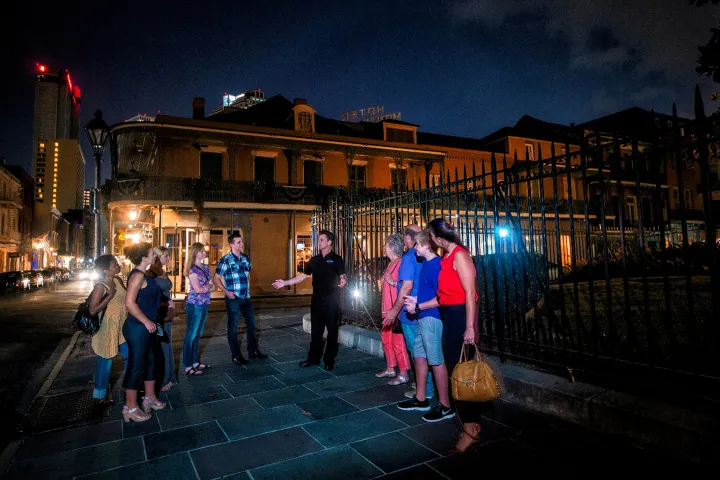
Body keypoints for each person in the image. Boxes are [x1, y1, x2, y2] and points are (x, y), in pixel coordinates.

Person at [429, 218, 485, 452]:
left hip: (461, 317)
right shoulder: (446, 257)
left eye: (431, 236)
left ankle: (470, 430)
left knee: (461, 375)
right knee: (457, 371)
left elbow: (470, 293)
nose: (430, 240)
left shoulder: (460, 255)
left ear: (439, 239)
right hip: (451, 317)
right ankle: (471, 424)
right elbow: (444, 295)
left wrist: (470, 326)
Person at [400, 230, 454, 422]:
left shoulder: (436, 265)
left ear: (424, 245)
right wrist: (414, 299)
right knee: (419, 357)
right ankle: (421, 399)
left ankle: (446, 405)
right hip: (423, 316)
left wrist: (418, 305)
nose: (413, 248)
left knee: (436, 360)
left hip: (432, 318)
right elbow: (429, 292)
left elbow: (442, 298)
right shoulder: (426, 264)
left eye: (416, 245)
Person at [272, 230, 346, 371]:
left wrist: (343, 280)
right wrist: (285, 283)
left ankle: (329, 360)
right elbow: (302, 276)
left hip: (332, 301)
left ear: (330, 242)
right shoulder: (314, 260)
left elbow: (343, 275)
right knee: (316, 332)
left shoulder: (337, 259)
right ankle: (313, 359)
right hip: (317, 300)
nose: (319, 242)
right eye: (319, 240)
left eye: (322, 240)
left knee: (332, 332)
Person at [384, 224, 435, 400]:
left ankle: (425, 390)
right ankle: (424, 385)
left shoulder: (408, 257)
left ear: (408, 238)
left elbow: (406, 285)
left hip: (410, 311)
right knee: (426, 351)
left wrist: (394, 310)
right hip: (424, 309)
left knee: (417, 353)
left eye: (404, 235)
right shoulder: (424, 255)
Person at [122, 243, 166, 423]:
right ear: (144, 257)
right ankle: (130, 407)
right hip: (138, 327)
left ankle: (149, 398)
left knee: (151, 362)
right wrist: (147, 321)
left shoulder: (144, 274)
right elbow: (129, 303)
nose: (154, 255)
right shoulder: (138, 275)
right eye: (151, 253)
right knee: (136, 365)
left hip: (147, 327)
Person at [214, 232, 267, 364]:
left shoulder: (245, 258)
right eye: (239, 242)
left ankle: (253, 351)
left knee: (252, 324)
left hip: (246, 297)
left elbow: (248, 274)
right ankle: (236, 355)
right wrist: (226, 292)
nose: (242, 244)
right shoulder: (225, 260)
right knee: (233, 327)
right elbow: (216, 279)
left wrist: (248, 290)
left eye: (241, 241)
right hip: (233, 298)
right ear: (231, 245)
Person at [89, 255, 127, 405]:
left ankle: (131, 388)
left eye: (117, 264)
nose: (117, 266)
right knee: (105, 362)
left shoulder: (117, 281)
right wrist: (109, 296)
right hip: (107, 328)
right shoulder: (100, 286)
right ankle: (99, 396)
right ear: (105, 270)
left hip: (121, 327)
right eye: (113, 265)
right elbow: (93, 310)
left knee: (131, 355)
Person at [375, 234, 411, 384]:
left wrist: (393, 282)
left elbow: (406, 286)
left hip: (394, 310)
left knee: (398, 342)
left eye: (386, 245)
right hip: (386, 310)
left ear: (391, 247)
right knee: (386, 341)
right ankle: (390, 368)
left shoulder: (401, 263)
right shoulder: (390, 264)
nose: (384, 248)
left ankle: (403, 373)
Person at [146, 246, 177, 392]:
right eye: (166, 256)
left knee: (167, 344)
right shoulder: (150, 273)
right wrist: (166, 303)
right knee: (163, 344)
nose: (169, 258)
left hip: (167, 312)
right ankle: (165, 378)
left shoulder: (162, 272)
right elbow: (150, 295)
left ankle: (169, 377)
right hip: (160, 313)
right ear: (158, 257)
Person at [183, 242, 212, 375]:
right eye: (202, 251)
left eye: (204, 251)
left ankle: (195, 362)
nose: (204, 253)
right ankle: (188, 365)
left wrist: (206, 288)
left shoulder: (206, 268)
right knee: (191, 335)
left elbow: (213, 286)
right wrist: (207, 287)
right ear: (195, 253)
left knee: (198, 334)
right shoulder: (192, 269)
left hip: (205, 303)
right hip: (194, 305)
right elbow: (199, 289)